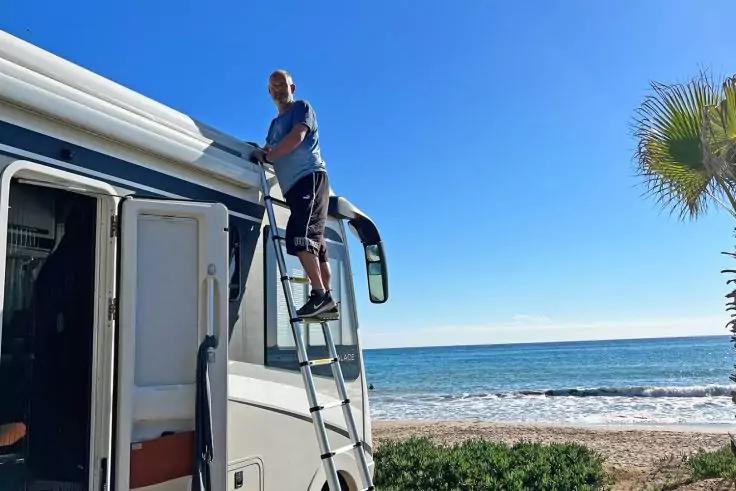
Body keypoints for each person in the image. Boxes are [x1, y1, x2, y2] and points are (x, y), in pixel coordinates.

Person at [252, 70, 335, 318]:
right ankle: (328, 306)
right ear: (269, 92)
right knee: (317, 246)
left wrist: (269, 156)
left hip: (309, 178)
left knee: (300, 236)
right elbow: (270, 148)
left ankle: (321, 295)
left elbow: (297, 137)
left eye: (282, 84)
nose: (278, 89)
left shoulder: (302, 108)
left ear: (293, 87)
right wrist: (259, 152)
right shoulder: (274, 124)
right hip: (295, 188)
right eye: (273, 86)